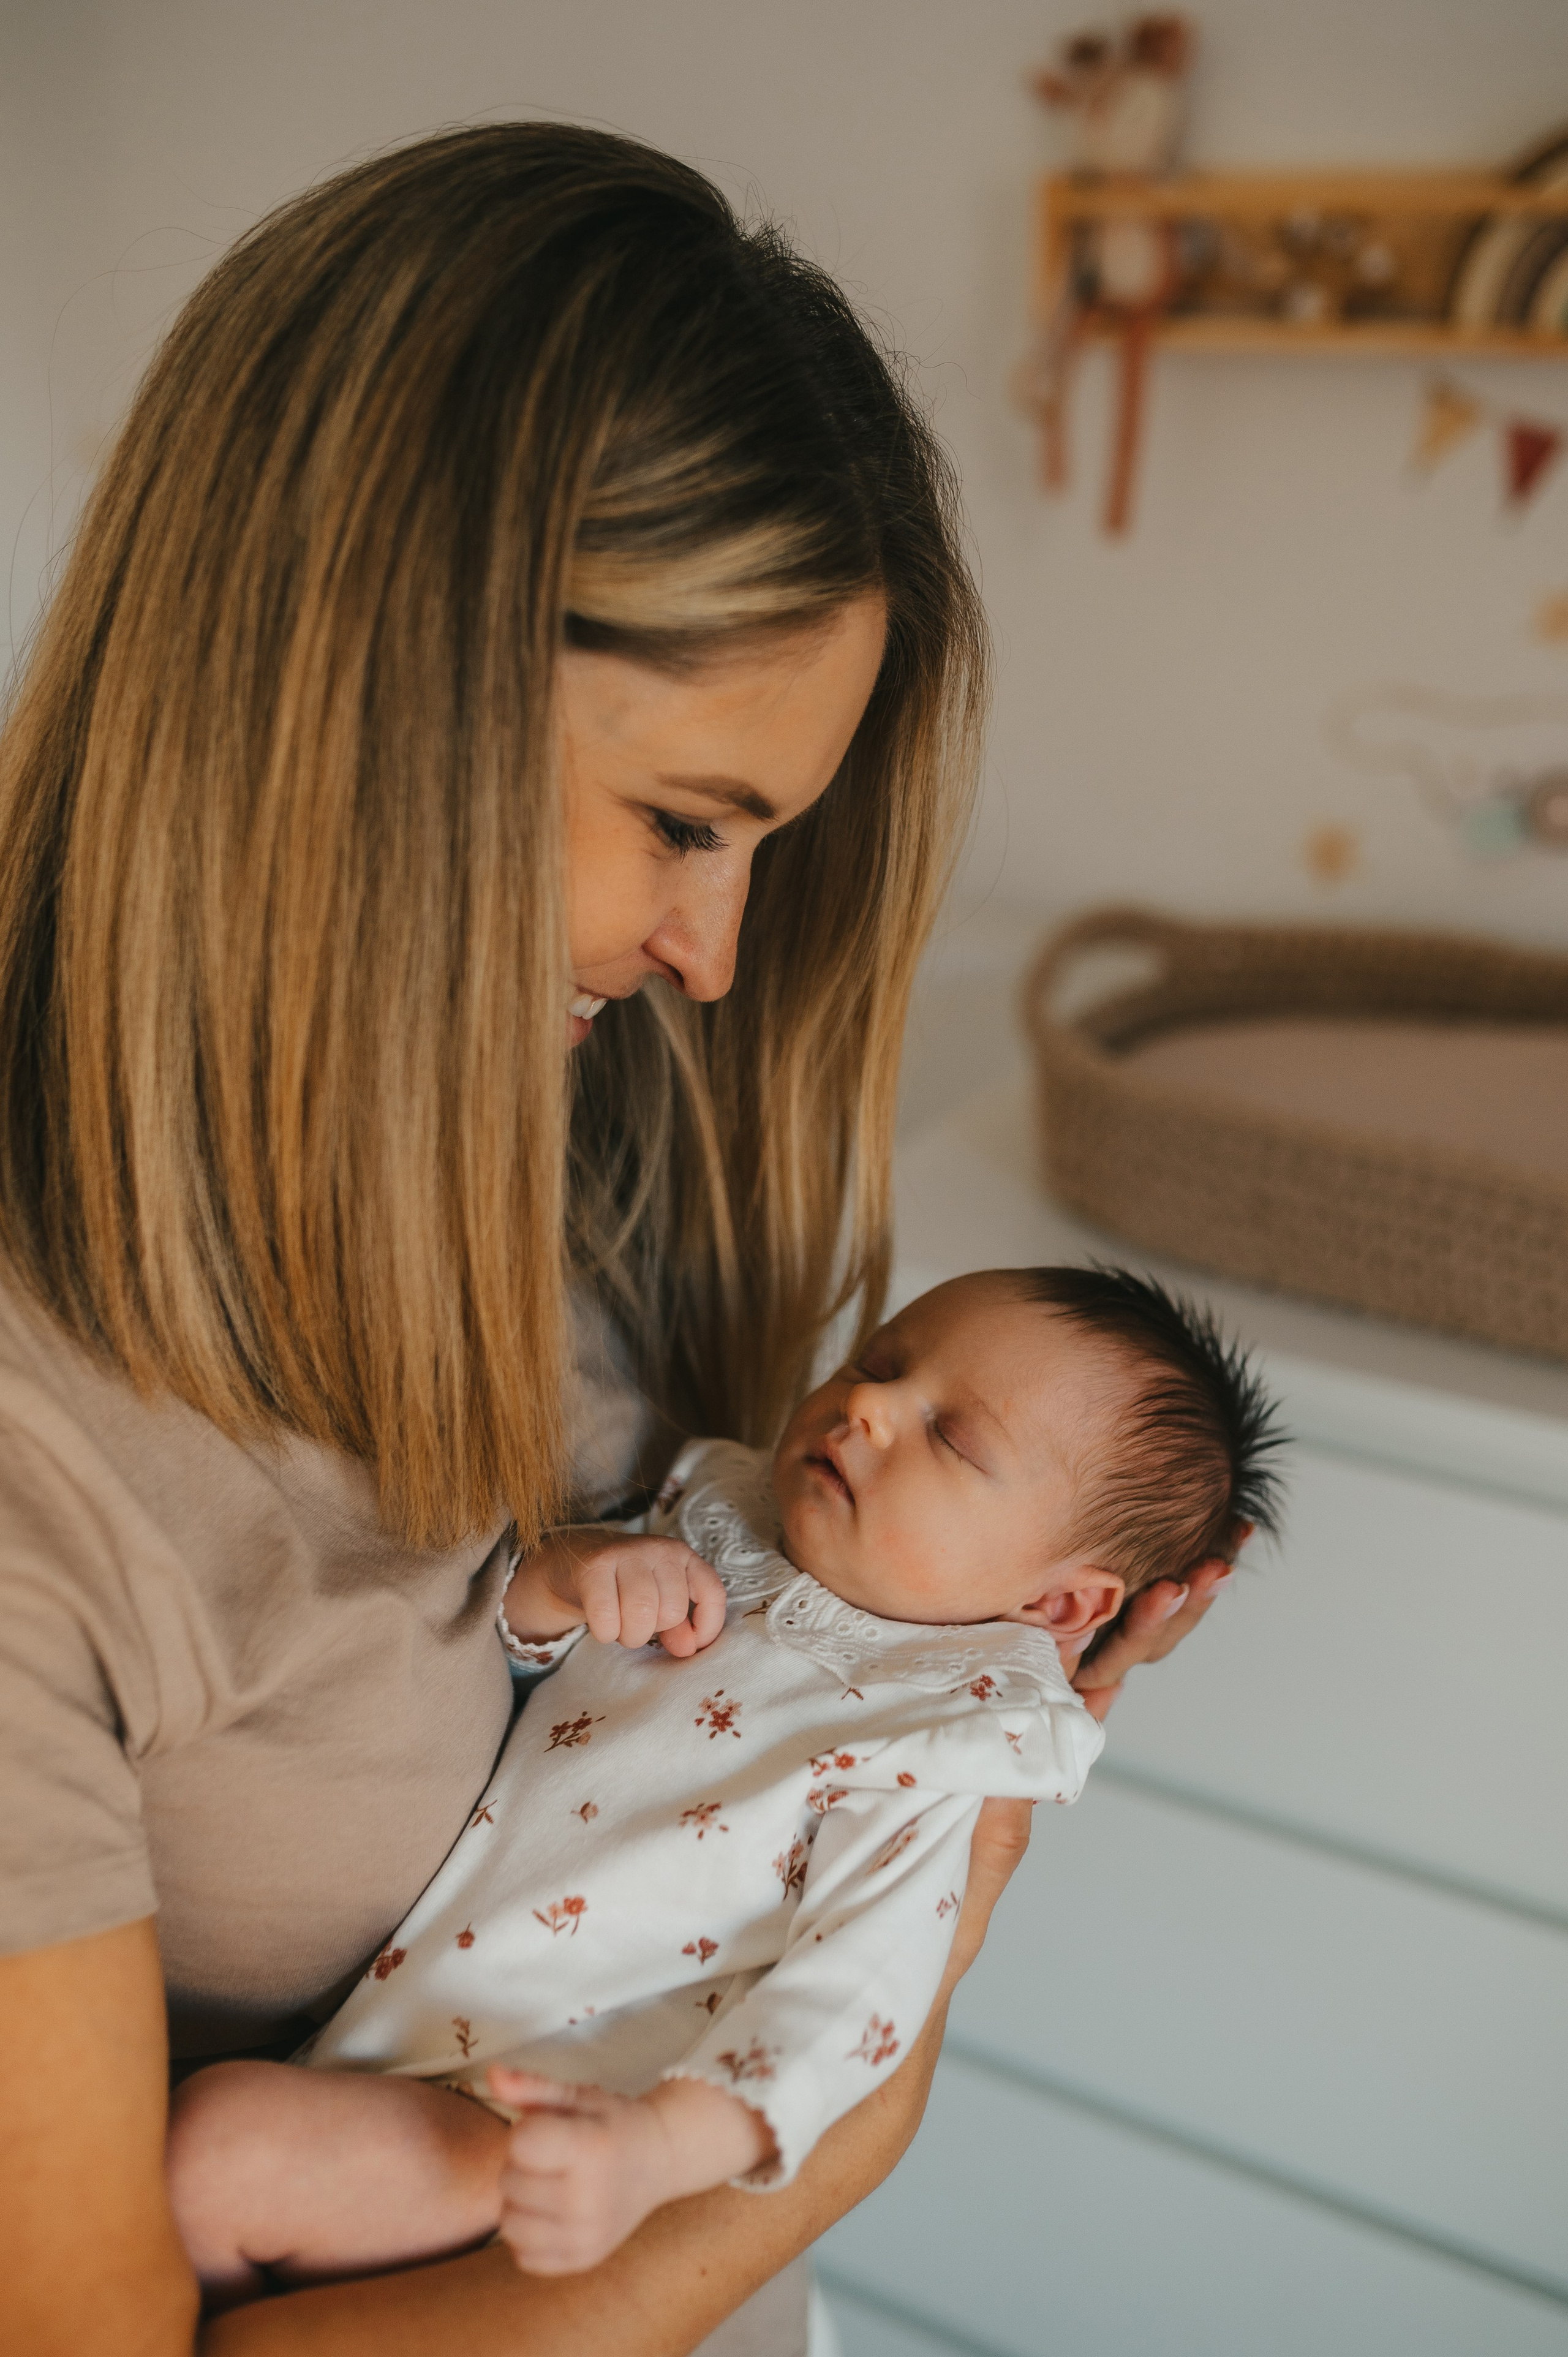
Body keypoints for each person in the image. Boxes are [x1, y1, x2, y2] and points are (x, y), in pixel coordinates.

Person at [0, 123, 1233, 2357]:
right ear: (372, 689)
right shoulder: (45, 1456)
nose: (714, 950)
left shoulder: (606, 1132)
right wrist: (822, 2137)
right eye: (686, 819)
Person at [163, 1265, 1281, 2304]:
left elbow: (859, 1997)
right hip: (373, 2035)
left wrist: (655, 2154)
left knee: (217, 2154)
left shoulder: (940, 1740)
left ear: (1061, 1608)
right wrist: (560, 1585)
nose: (868, 1411)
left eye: (950, 1437)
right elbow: (483, 1684)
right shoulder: (718, 1518)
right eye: (880, 1364)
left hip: (534, 2119)